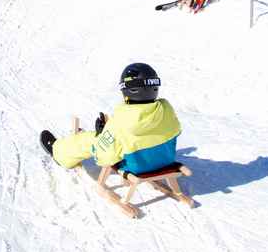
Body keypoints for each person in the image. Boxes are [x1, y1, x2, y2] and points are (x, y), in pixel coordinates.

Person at [40, 63, 181, 175]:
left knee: (90, 140)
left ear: (126, 91)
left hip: (136, 167)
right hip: (165, 160)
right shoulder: (166, 109)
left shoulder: (120, 122)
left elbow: (104, 158)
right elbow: (175, 130)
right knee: (117, 138)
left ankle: (59, 152)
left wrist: (102, 135)